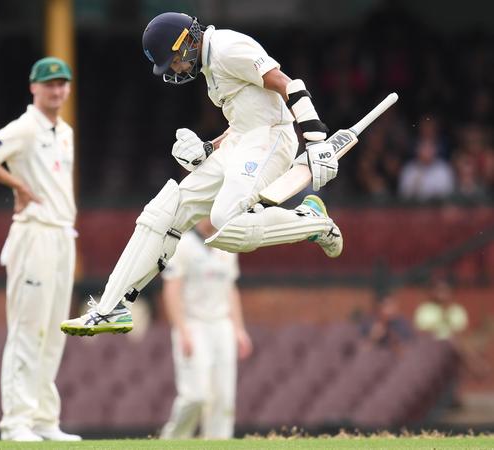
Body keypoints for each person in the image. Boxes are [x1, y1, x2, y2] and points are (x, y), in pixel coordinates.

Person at [61, 12, 342, 336]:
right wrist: (210, 147)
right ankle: (111, 308)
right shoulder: (210, 64)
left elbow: (288, 85)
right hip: (241, 140)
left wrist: (315, 138)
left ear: (187, 43)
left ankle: (312, 220)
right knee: (164, 211)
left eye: (174, 62)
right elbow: (243, 119)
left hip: (272, 136)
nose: (176, 70)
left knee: (226, 219)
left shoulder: (228, 48)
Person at [0, 57, 81, 442]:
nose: (57, 90)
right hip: (34, 236)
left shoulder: (64, 131)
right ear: (34, 87)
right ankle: (16, 424)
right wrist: (17, 185)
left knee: (54, 331)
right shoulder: (26, 127)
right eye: (49, 84)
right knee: (28, 330)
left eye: (62, 83)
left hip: (63, 235)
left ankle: (44, 420)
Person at [160, 219, 252, 439]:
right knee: (196, 395)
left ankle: (218, 441)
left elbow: (230, 288)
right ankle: (173, 441)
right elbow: (171, 290)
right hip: (193, 325)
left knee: (223, 396)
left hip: (222, 325)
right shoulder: (182, 244)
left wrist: (239, 329)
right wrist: (182, 330)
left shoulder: (228, 244)